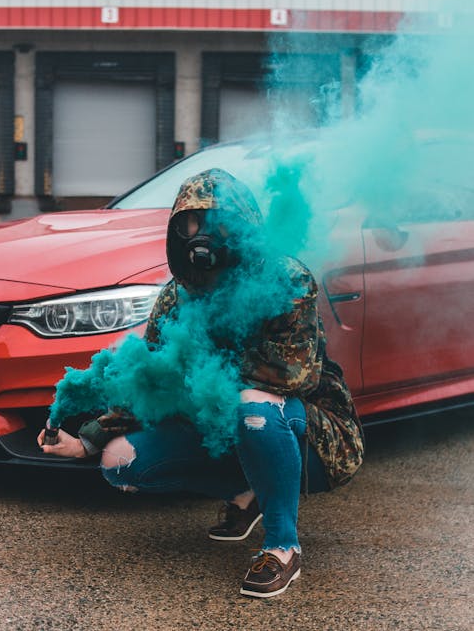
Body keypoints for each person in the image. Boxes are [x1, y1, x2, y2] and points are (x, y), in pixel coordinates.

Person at [38, 168, 364, 599]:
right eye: (189, 227)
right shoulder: (178, 294)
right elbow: (151, 377)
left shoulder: (285, 280)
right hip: (223, 427)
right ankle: (246, 487)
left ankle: (282, 546)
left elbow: (293, 376)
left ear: (242, 228)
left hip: (312, 435)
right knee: (119, 462)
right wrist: (88, 439)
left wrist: (196, 369)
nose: (200, 240)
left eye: (214, 225)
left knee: (253, 406)